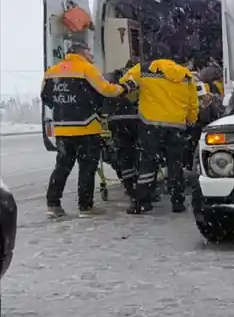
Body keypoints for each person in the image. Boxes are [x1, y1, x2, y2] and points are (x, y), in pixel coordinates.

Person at [41, 41, 130, 218]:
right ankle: (85, 206)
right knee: (87, 168)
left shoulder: (52, 71)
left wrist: (63, 110)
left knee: (62, 167)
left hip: (63, 129)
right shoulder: (87, 69)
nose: (91, 56)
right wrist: (125, 87)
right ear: (82, 52)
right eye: (89, 52)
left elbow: (46, 96)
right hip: (86, 127)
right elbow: (107, 90)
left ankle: (53, 204)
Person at [121, 56, 199, 214]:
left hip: (151, 124)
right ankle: (177, 201)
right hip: (176, 126)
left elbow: (124, 84)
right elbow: (193, 103)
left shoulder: (143, 69)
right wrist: (190, 120)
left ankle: (142, 201)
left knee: (148, 163)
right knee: (175, 164)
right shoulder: (185, 75)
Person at [104, 62, 141, 198]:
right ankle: (140, 188)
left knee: (124, 155)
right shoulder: (134, 78)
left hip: (115, 121)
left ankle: (129, 185)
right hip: (133, 120)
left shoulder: (110, 81)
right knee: (138, 154)